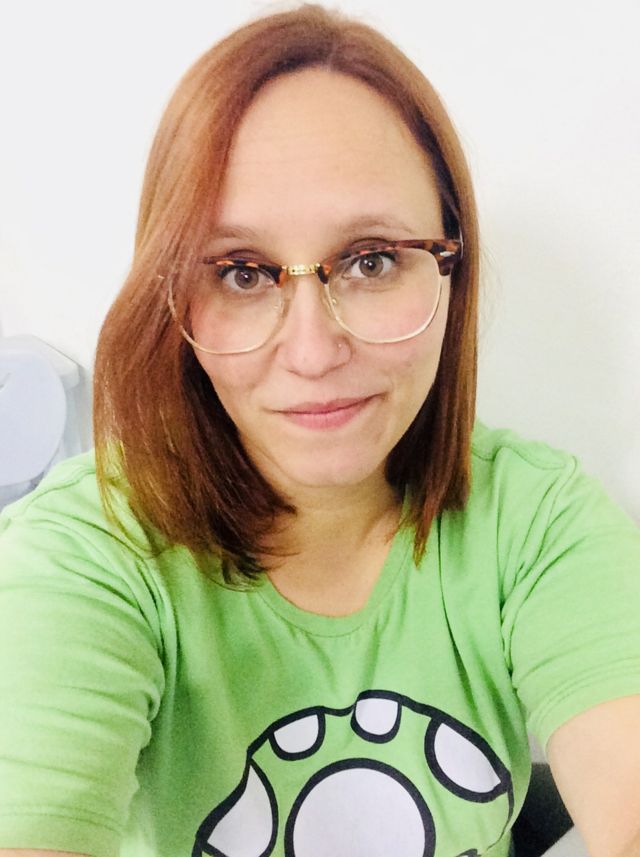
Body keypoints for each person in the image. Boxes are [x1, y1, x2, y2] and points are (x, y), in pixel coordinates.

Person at [0, 5, 639, 857]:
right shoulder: (85, 555)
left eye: (372, 259)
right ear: (173, 296)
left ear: (451, 268)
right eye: (242, 272)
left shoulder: (539, 523)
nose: (312, 351)